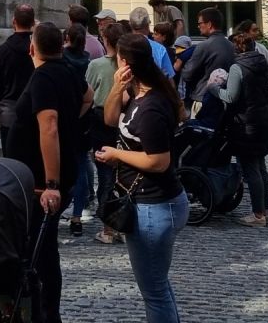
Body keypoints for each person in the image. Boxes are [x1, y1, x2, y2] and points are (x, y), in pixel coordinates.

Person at [98, 32, 189, 323]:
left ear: (124, 61)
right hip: (146, 203)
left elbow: (159, 161)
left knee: (154, 290)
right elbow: (110, 119)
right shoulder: (136, 91)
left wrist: (117, 155)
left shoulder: (151, 105)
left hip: (155, 205)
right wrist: (115, 88)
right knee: (158, 285)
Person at [7, 20, 91, 323]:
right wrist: (72, 122)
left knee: (40, 251)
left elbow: (50, 124)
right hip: (50, 176)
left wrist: (51, 183)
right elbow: (88, 96)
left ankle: (43, 313)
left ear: (33, 48)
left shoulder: (43, 77)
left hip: (43, 183)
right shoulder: (68, 71)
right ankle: (38, 310)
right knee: (41, 247)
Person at [220, 25, 268, 226]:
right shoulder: (260, 62)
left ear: (236, 49)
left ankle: (257, 214)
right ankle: (266, 211)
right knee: (261, 167)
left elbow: (231, 96)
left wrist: (214, 89)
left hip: (246, 123)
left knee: (251, 168)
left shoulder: (237, 67)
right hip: (263, 119)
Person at [86, 20, 125, 242]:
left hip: (101, 120)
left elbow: (88, 92)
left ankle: (109, 227)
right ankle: (123, 222)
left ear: (105, 40)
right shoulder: (128, 65)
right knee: (124, 174)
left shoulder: (97, 65)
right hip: (124, 119)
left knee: (105, 175)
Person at [62, 23, 94, 236]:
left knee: (62, 168)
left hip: (64, 118)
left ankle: (59, 207)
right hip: (83, 121)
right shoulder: (88, 61)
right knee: (81, 168)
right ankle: (77, 216)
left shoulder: (63, 60)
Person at [0, 4, 37, 153]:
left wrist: (3, 102)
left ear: (13, 22)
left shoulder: (3, 50)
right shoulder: (38, 50)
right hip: (35, 111)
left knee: (11, 161)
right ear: (33, 23)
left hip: (10, 112)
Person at [179, 8, 236, 112]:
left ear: (209, 24)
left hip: (203, 99)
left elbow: (187, 74)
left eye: (200, 23)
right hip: (225, 100)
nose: (198, 26)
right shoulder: (231, 46)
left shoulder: (203, 46)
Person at [127, 8, 175, 77]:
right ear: (148, 24)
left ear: (130, 25)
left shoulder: (123, 46)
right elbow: (169, 79)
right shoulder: (160, 49)